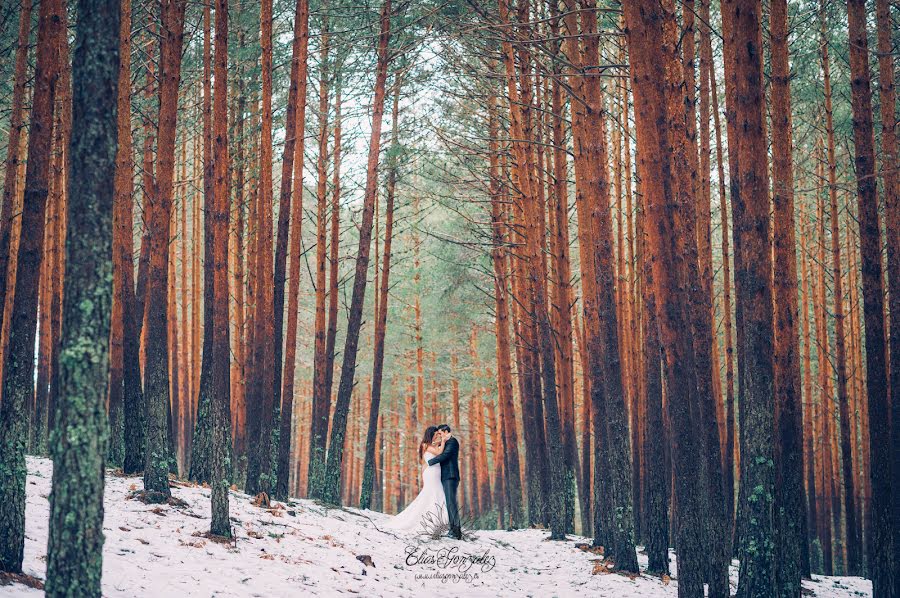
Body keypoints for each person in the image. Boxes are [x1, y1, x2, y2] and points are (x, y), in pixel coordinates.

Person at [385, 426, 448, 533]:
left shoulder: (431, 445)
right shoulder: (425, 445)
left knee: (436, 494)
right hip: (431, 473)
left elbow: (437, 452)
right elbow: (439, 453)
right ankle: (433, 521)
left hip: (434, 472)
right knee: (433, 493)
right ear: (431, 434)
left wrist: (440, 442)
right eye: (436, 434)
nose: (438, 436)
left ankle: (439, 521)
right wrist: (443, 440)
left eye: (438, 434)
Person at [427, 424, 461, 539]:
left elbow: (445, 455)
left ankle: (456, 532)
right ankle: (453, 530)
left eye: (440, 433)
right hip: (446, 476)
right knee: (449, 503)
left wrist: (429, 462)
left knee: (452, 503)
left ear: (446, 431)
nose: (440, 435)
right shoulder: (446, 442)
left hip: (450, 476)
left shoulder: (452, 441)